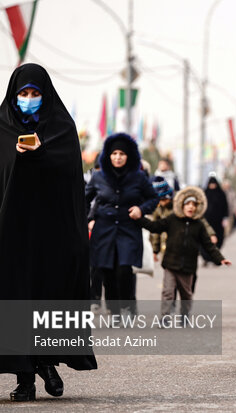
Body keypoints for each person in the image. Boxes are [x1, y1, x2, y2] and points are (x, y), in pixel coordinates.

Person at [0, 63, 97, 401]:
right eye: (23, 94)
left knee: (48, 298)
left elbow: (69, 178)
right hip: (11, 235)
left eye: (35, 94)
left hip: (52, 235)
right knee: (14, 302)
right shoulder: (2, 129)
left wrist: (40, 154)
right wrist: (14, 155)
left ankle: (46, 361)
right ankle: (25, 378)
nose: (29, 99)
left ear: (46, 95)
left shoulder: (61, 128)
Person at [85, 133, 159, 314]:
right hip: (104, 229)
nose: (118, 157)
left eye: (122, 154)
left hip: (128, 228)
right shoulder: (98, 177)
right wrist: (90, 219)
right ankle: (114, 311)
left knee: (124, 269)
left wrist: (141, 210)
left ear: (129, 156)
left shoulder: (139, 177)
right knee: (107, 272)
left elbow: (153, 198)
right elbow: (84, 200)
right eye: (114, 153)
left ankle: (127, 305)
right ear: (108, 155)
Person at [134, 186, 231, 320]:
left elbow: (208, 245)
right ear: (181, 205)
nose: (191, 207)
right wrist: (139, 219)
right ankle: (165, 317)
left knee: (186, 295)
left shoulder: (199, 225)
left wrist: (220, 259)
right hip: (170, 264)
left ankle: (185, 315)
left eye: (194, 205)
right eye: (188, 204)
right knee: (168, 292)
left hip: (188, 267)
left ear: (198, 207)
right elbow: (154, 226)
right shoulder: (172, 219)